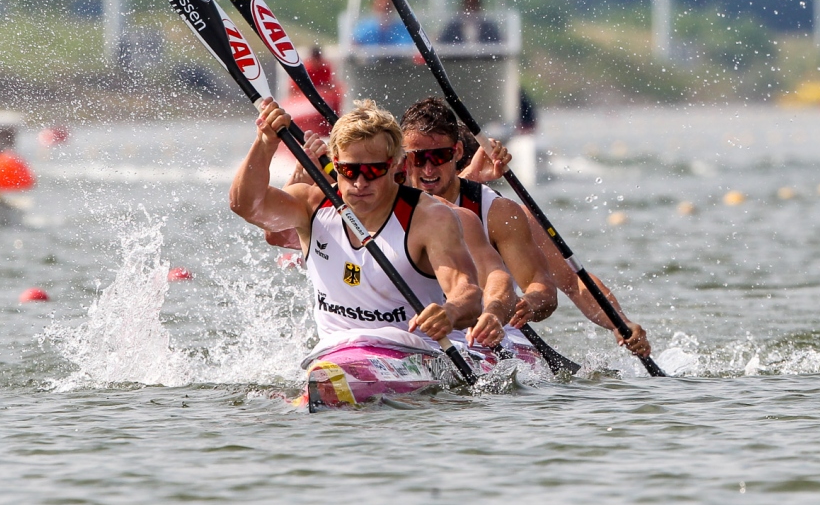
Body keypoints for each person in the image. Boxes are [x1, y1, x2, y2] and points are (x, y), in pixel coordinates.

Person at [230, 97, 492, 351]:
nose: (359, 183)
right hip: (334, 351)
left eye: (373, 171)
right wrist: (265, 144)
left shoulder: (430, 218)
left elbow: (468, 293)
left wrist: (450, 311)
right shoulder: (311, 204)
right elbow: (246, 205)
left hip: (411, 349)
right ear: (335, 164)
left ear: (395, 165)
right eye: (350, 171)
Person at [400, 97, 652, 358]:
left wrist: (618, 323)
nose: (428, 167)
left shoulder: (499, 213)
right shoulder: (381, 200)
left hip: (488, 334)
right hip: (416, 332)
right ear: (402, 158)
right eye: (417, 158)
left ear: (457, 153)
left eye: (439, 156)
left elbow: (568, 282)